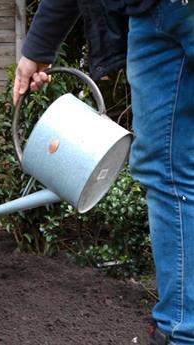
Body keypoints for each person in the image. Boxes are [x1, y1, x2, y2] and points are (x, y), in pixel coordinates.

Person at [12, 1, 193, 344]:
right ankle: (180, 327)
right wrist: (39, 45)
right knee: (170, 169)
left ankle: (182, 329)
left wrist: (37, 48)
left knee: (170, 171)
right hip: (161, 12)